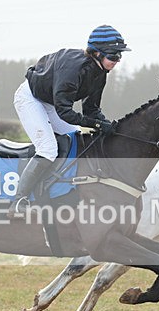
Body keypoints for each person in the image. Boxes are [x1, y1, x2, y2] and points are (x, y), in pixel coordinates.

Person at [9, 25, 130, 218]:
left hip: (51, 102)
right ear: (96, 53)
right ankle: (19, 201)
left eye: (119, 57)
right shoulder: (73, 69)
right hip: (30, 98)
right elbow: (65, 111)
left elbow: (91, 109)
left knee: (76, 138)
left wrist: (108, 125)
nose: (117, 61)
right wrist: (97, 125)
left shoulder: (100, 73)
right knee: (48, 148)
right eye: (113, 56)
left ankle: (62, 187)